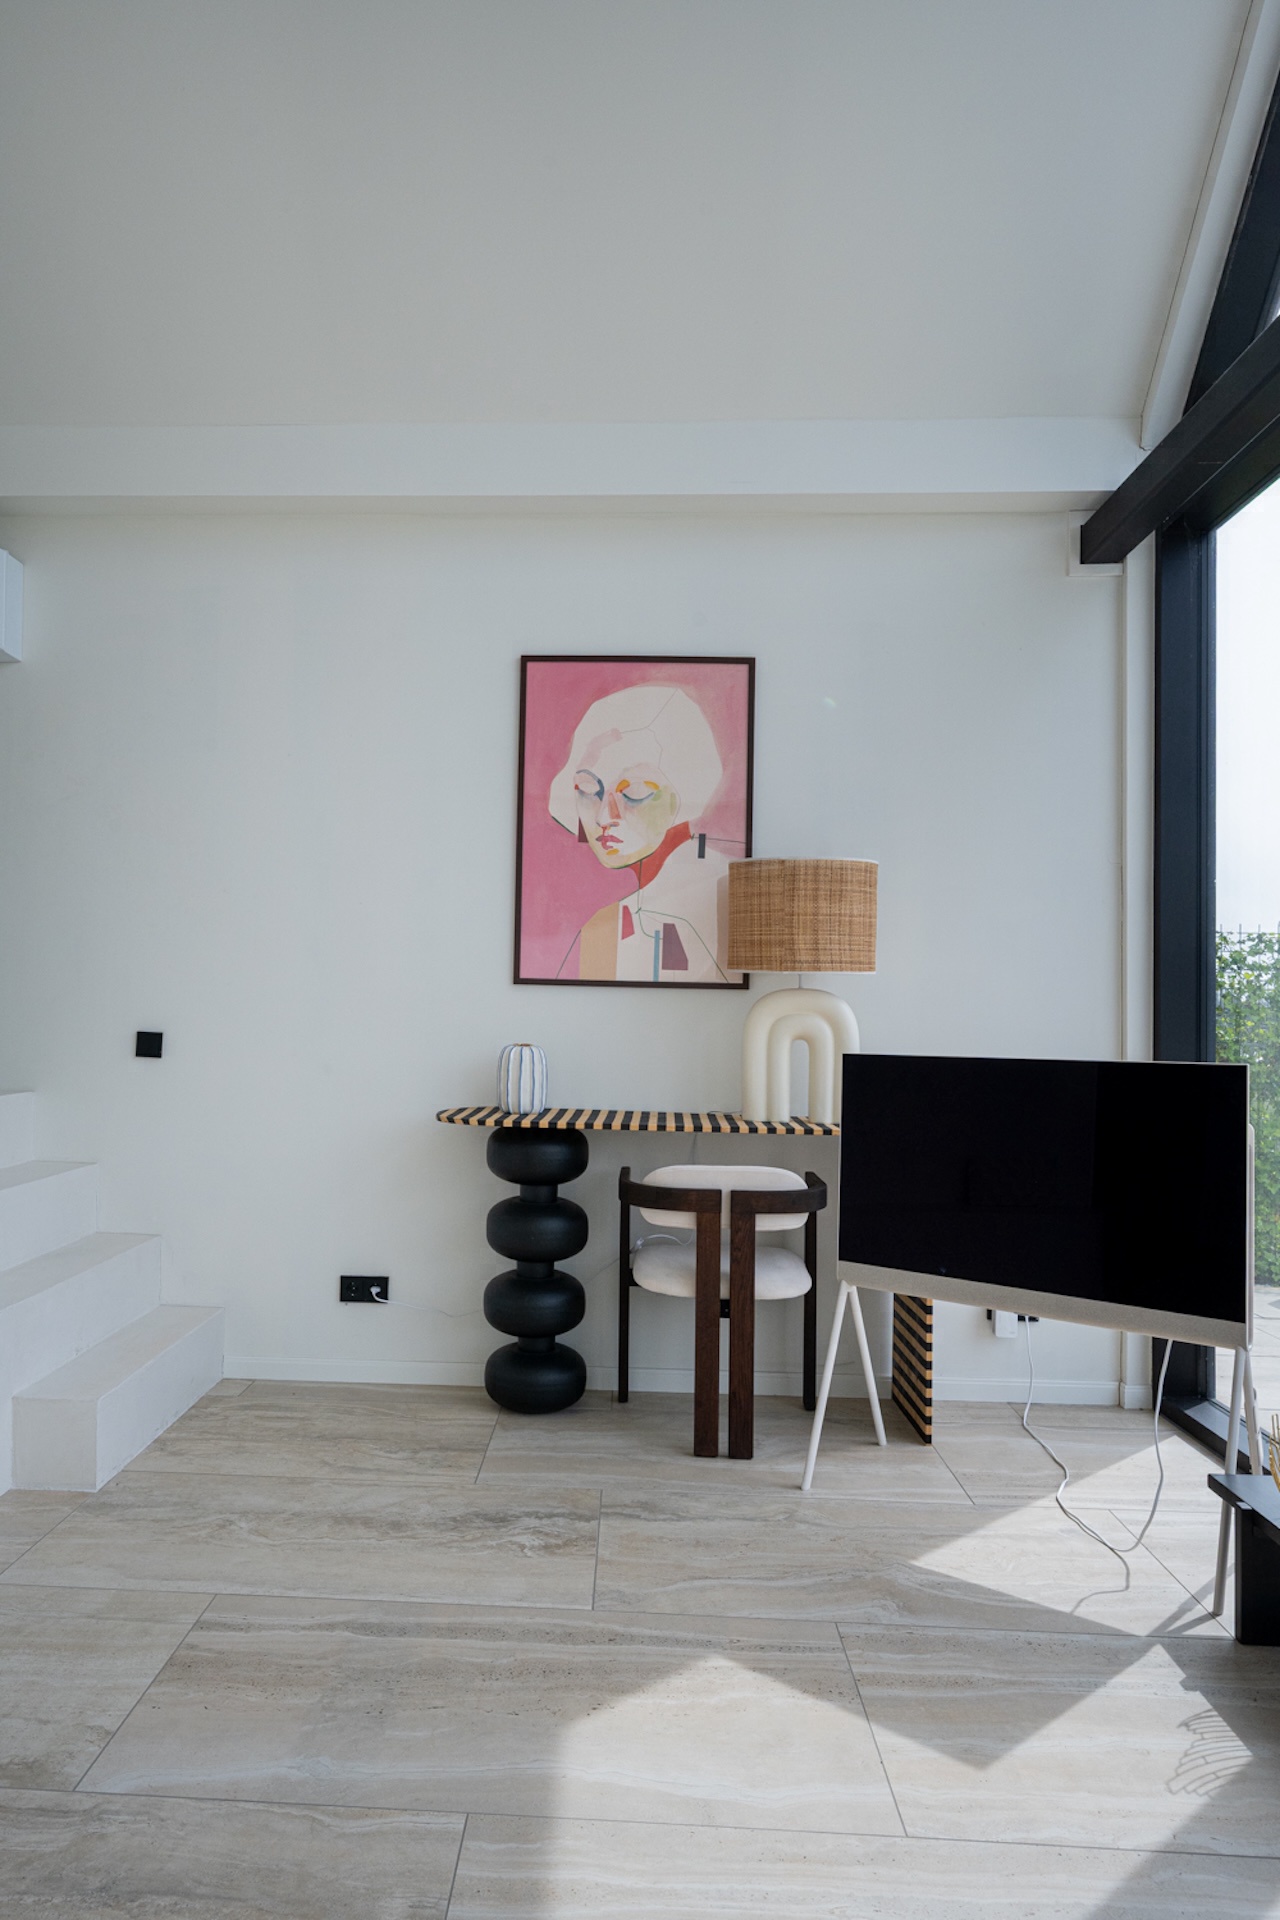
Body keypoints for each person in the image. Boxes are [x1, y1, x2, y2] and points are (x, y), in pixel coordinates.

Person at [548, 684, 737, 983]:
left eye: (634, 794)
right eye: (588, 789)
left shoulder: (714, 896)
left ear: (683, 795)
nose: (604, 817)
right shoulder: (603, 927)